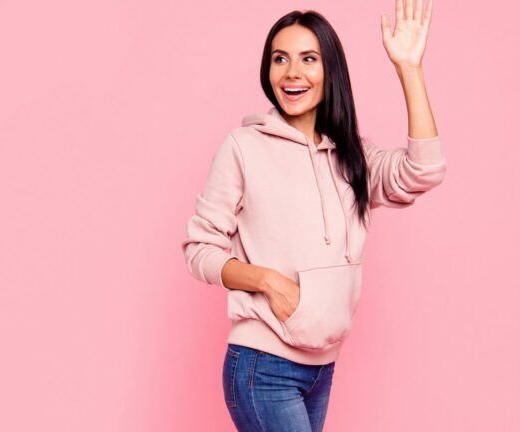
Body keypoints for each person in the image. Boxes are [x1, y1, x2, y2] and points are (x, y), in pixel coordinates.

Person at [181, 2, 445, 430]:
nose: (291, 73)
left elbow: (425, 170)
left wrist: (409, 70)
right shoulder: (243, 147)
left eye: (309, 59)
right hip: (261, 367)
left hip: (322, 367)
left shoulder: (353, 156)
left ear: (331, 70)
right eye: (279, 59)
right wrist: (267, 280)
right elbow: (200, 249)